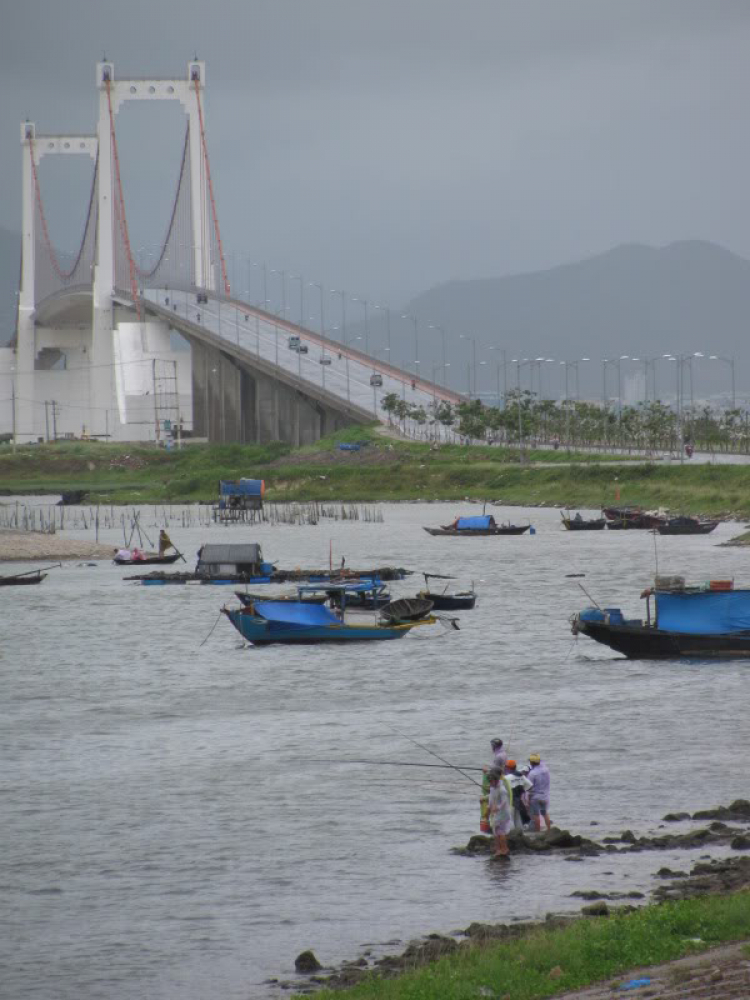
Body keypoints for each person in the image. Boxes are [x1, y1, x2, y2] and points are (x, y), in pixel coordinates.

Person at [487, 766, 512, 858]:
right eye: (489, 781)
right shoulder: (492, 788)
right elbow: (490, 799)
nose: (490, 783)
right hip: (496, 814)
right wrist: (489, 809)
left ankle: (504, 849)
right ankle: (498, 849)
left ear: (496, 780)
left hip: (503, 813)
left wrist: (497, 808)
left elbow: (504, 802)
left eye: (491, 781)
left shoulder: (502, 789)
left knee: (500, 832)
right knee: (496, 831)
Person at [505, 759, 532, 831]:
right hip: (519, 802)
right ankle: (519, 835)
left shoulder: (506, 778)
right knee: (517, 820)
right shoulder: (521, 776)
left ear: (508, 768)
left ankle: (512, 835)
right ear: (515, 767)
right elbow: (529, 786)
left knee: (510, 820)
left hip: (510, 802)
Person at [527, 753, 552, 832]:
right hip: (545, 796)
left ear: (531, 763)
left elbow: (529, 787)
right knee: (545, 813)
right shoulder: (546, 770)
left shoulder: (532, 773)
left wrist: (527, 799)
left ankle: (537, 832)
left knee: (536, 815)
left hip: (535, 797)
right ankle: (549, 830)